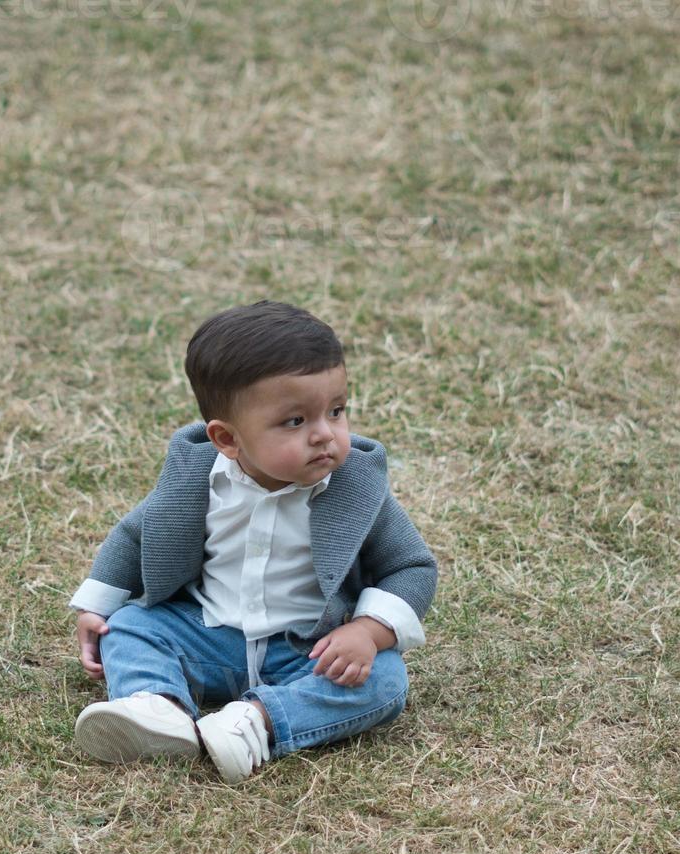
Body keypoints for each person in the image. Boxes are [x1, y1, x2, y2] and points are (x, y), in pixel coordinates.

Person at [67, 300, 438, 784]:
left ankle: (258, 721)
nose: (325, 435)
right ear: (227, 439)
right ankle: (158, 709)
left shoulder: (356, 488)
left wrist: (367, 632)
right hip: (206, 633)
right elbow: (135, 537)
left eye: (336, 411)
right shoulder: (194, 480)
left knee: (385, 680)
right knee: (133, 626)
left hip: (306, 651)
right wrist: (96, 605)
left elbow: (411, 567)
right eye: (295, 422)